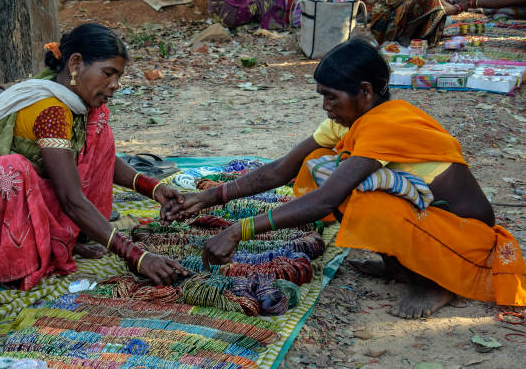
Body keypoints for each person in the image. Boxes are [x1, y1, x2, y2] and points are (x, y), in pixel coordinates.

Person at [163, 39, 526, 318]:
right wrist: (208, 198)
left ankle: (436, 281)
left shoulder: (386, 125)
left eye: (331, 97)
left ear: (365, 92)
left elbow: (325, 200)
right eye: (322, 96)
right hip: (433, 220)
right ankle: (399, 264)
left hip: (464, 236)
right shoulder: (353, 121)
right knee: (318, 162)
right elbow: (282, 169)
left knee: (364, 197)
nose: (325, 106)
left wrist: (238, 230)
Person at [0, 23, 188, 291]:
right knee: (12, 170)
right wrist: (137, 257)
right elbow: (70, 198)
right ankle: (14, 262)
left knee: (98, 125)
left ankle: (63, 238)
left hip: (25, 202)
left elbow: (97, 157)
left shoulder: (76, 100)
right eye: (108, 73)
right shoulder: (51, 110)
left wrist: (153, 187)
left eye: (118, 76)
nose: (116, 85)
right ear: (76, 63)